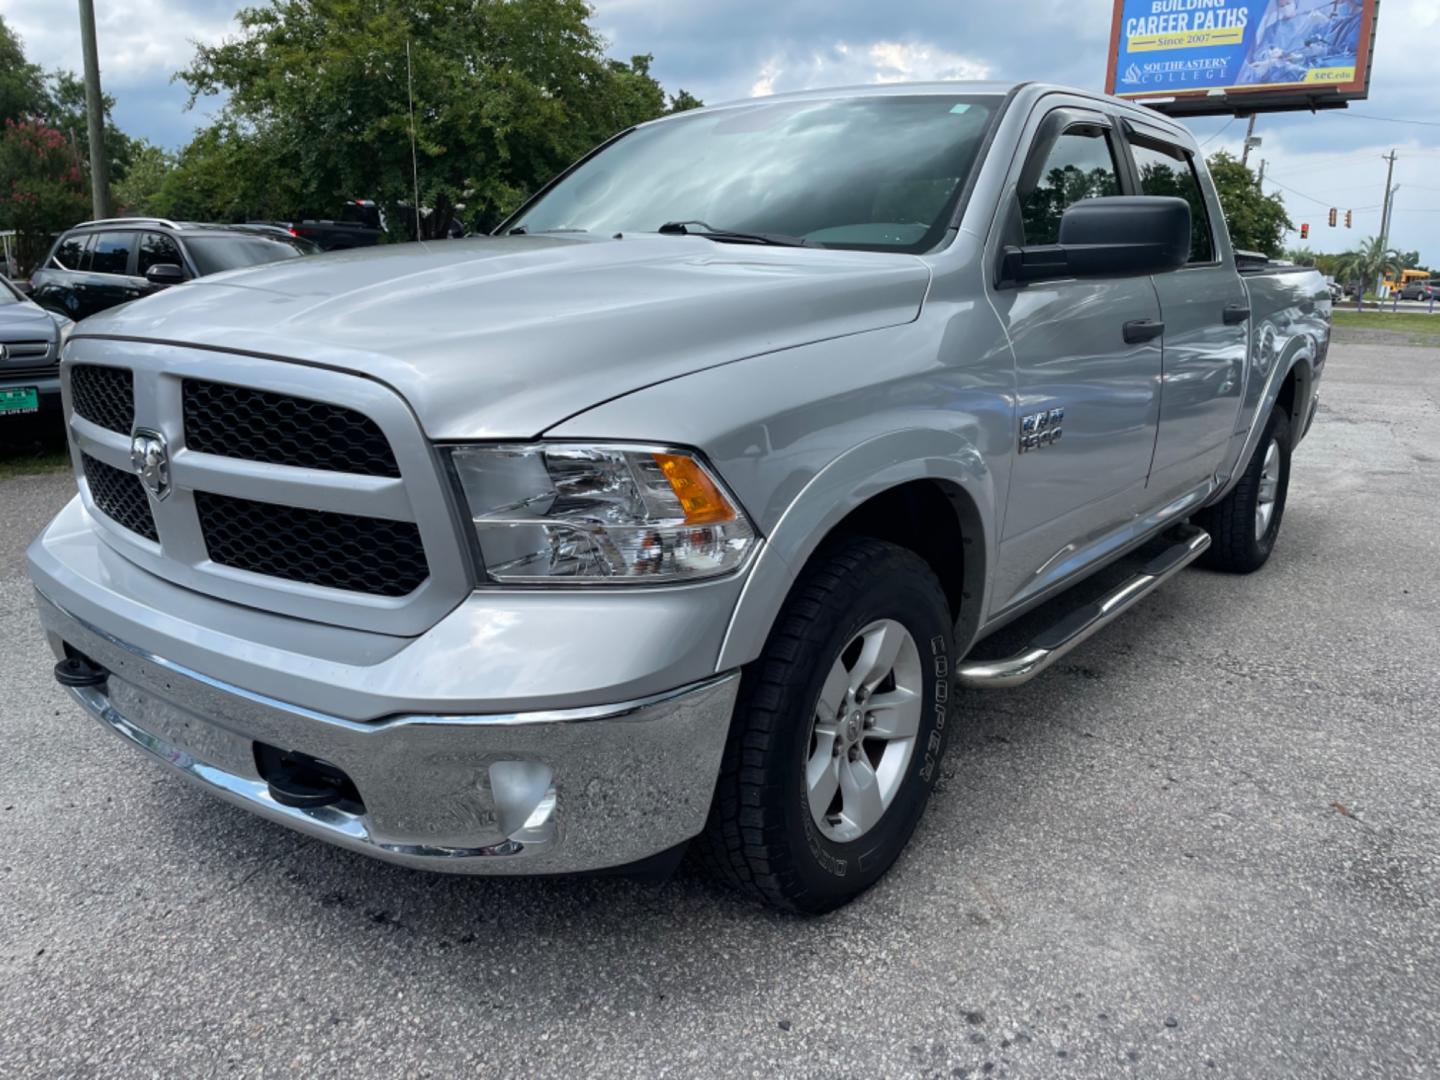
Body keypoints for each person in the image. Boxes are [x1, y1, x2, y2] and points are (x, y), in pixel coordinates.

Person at [1238, 0, 1328, 84]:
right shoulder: (1272, 29)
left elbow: (1324, 49)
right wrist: (1269, 54)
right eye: (1281, 6)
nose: (1285, 7)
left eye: (1287, 3)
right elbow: (1259, 53)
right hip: (1276, 75)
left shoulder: (1311, 20)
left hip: (1303, 73)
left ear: (1295, 2)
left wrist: (1291, 55)